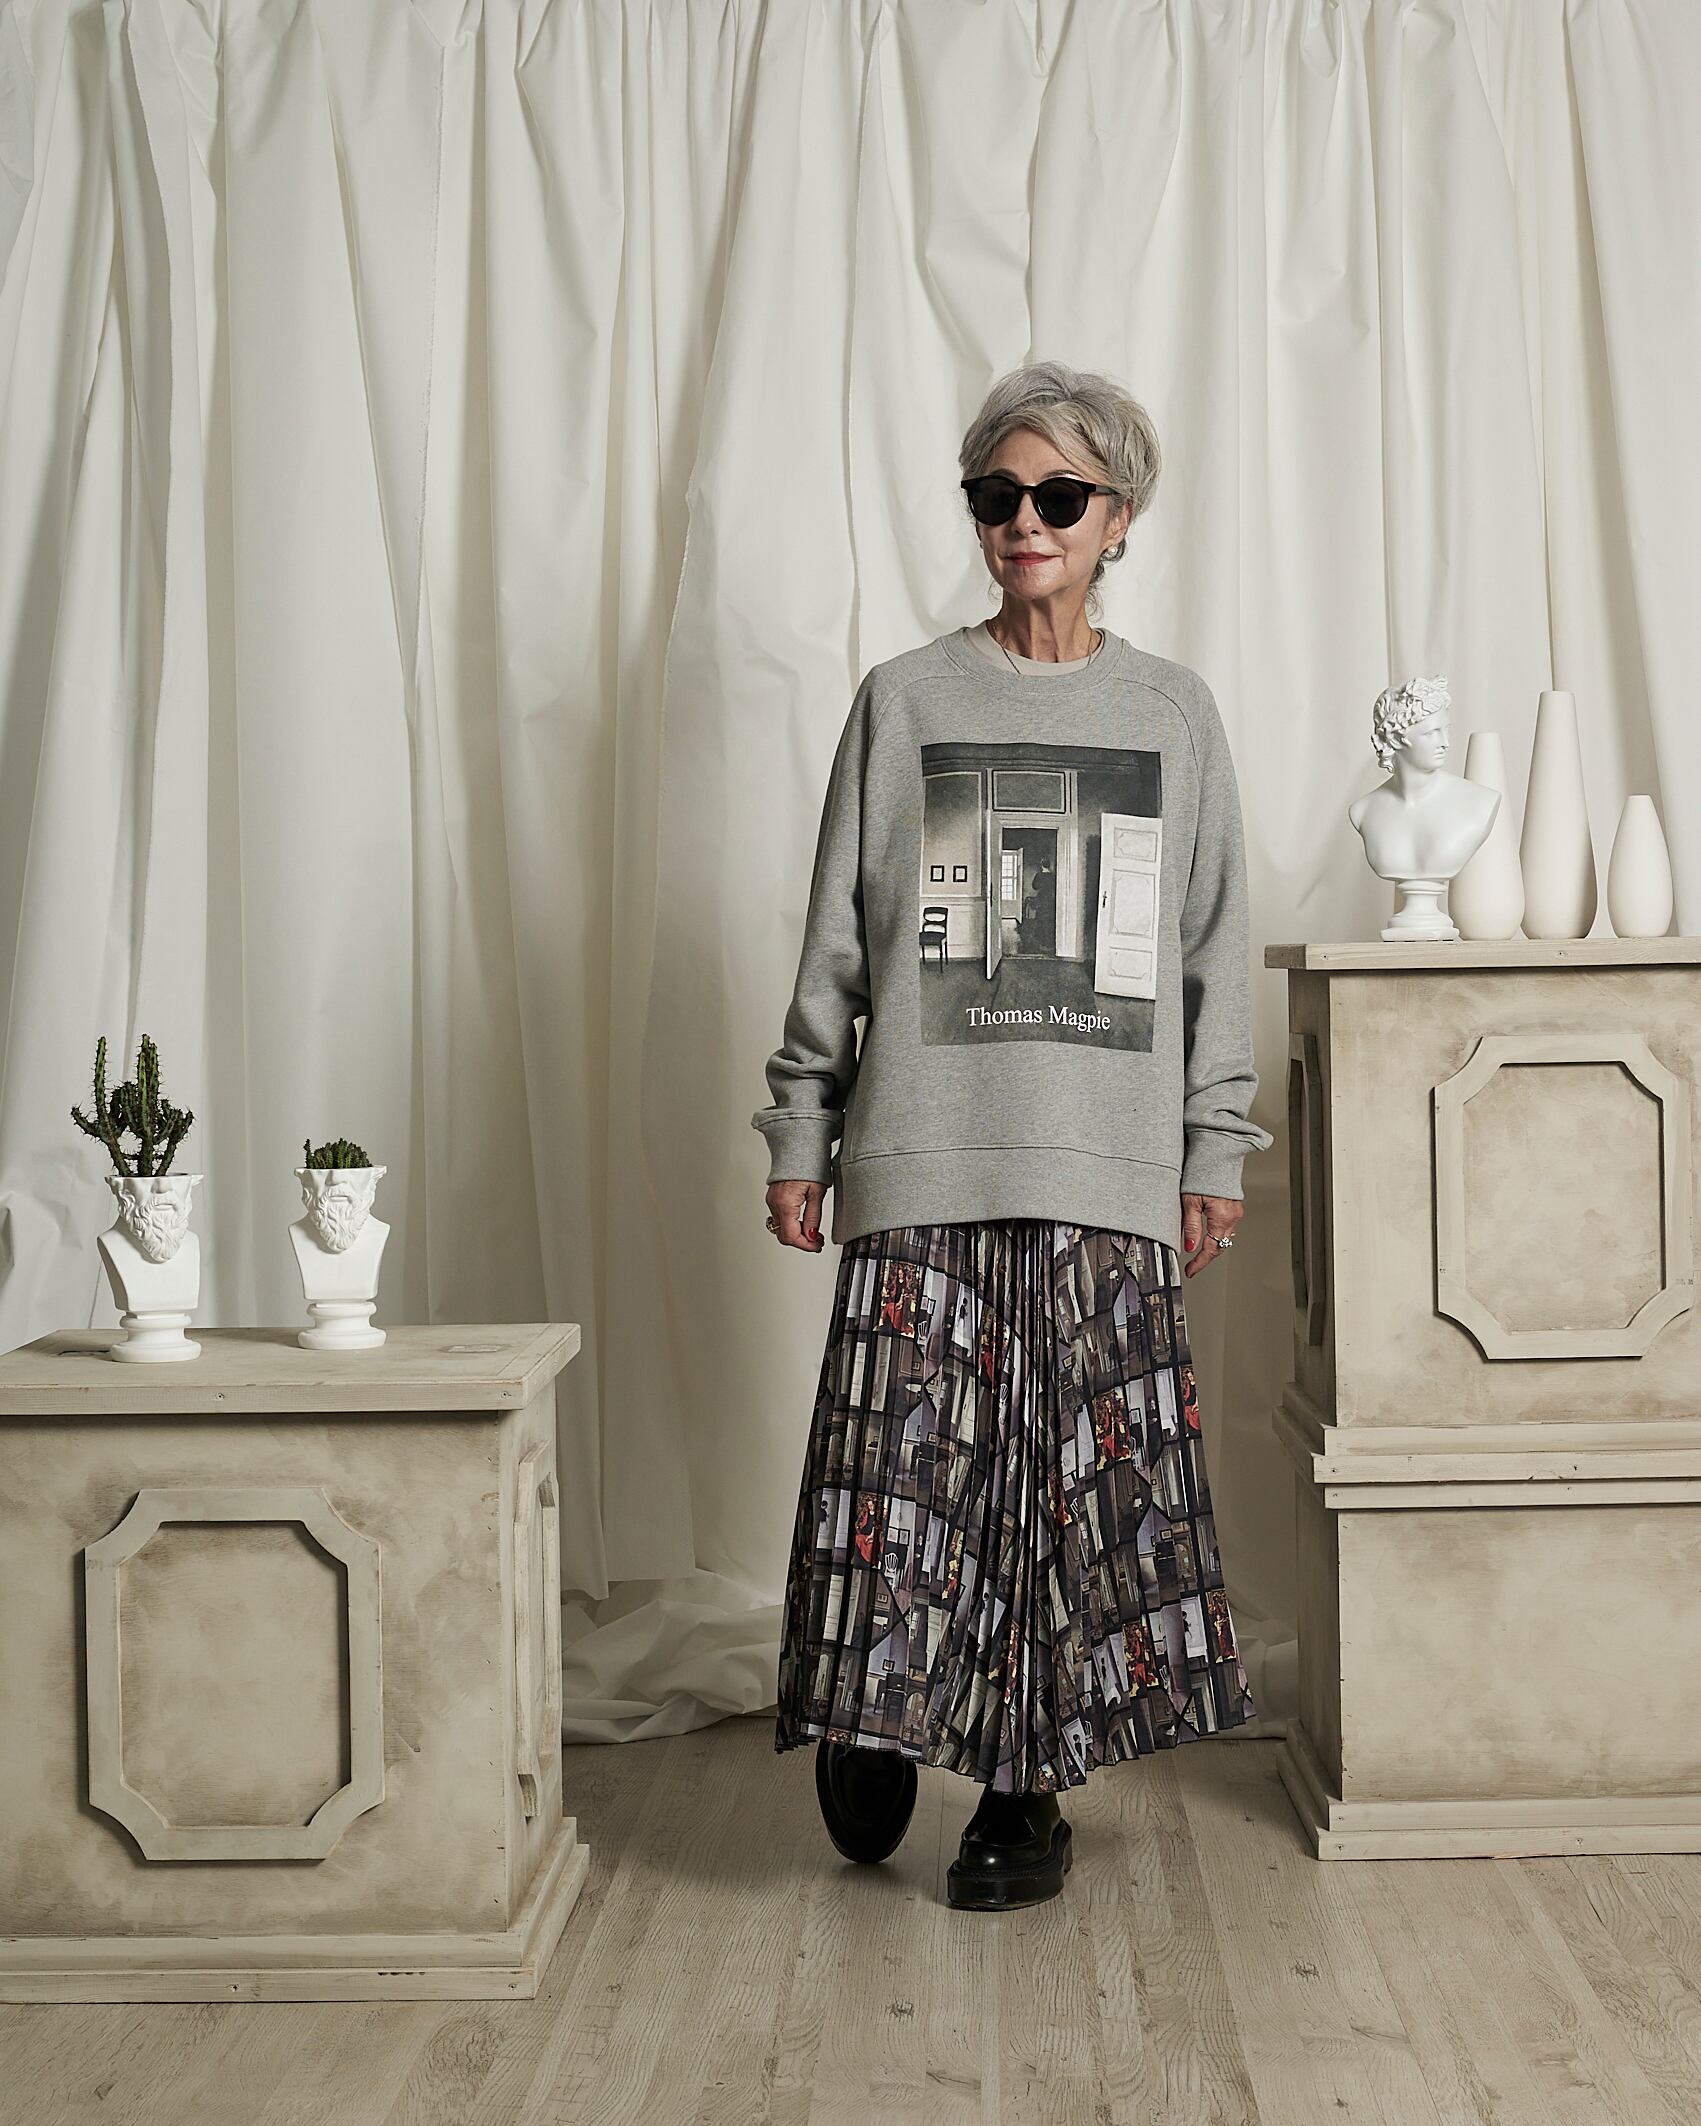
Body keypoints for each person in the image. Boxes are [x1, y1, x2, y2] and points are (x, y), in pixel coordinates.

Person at [751, 360, 1272, 1912]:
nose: (1024, 520)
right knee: (897, 1469)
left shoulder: (1170, 712)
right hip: (926, 1146)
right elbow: (837, 937)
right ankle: (875, 1707)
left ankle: (1022, 1791)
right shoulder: (905, 697)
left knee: (1058, 1491)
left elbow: (1211, 947)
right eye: (997, 493)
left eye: (1057, 494)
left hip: (1102, 1162)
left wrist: (1212, 1146)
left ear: (1119, 516)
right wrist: (800, 1126)